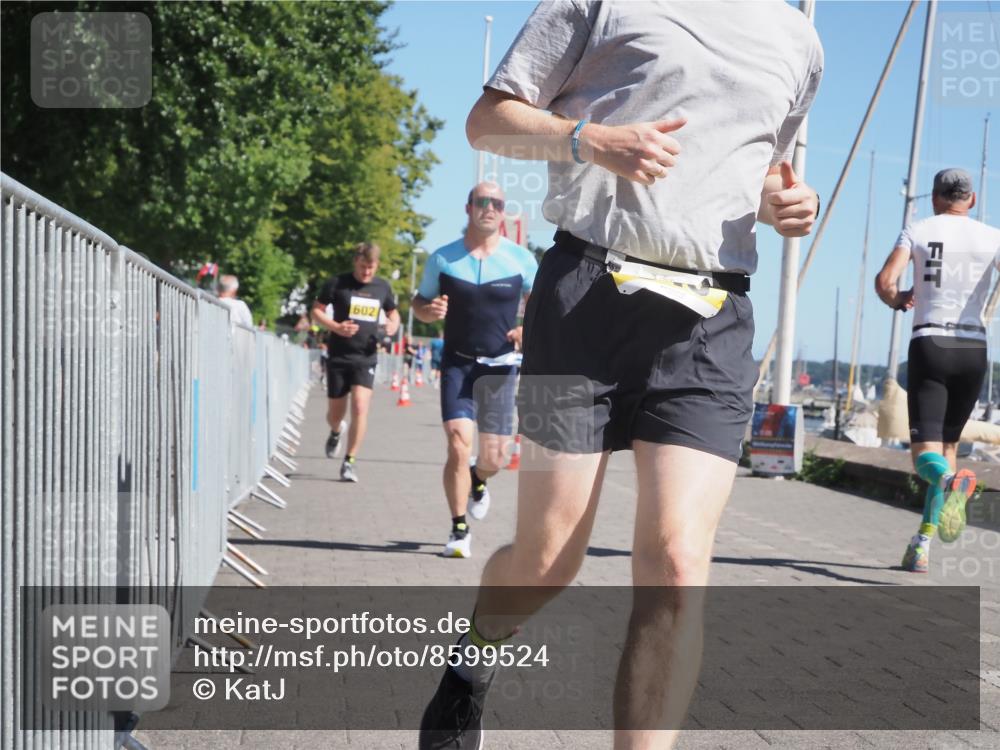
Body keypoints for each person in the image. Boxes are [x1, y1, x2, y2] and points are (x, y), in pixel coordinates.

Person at [418, 3, 823, 749]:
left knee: (677, 565)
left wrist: (787, 203)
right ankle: (473, 662)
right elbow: (487, 122)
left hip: (711, 319)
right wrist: (590, 140)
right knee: (547, 559)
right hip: (582, 301)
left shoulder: (798, 37)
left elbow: (760, 172)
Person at [875, 167, 998, 573]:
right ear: (972, 200)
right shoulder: (993, 236)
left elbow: (885, 281)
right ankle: (922, 545)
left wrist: (898, 299)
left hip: (931, 344)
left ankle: (949, 483)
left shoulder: (918, 229)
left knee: (926, 458)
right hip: (974, 349)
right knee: (946, 450)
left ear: (934, 197)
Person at [413, 181, 538, 559]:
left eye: (497, 203)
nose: (489, 208)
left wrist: (526, 329)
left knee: (496, 457)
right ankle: (458, 529)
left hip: (500, 368)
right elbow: (420, 303)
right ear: (468, 208)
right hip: (458, 363)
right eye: (482, 201)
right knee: (457, 442)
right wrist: (428, 311)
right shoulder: (443, 258)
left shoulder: (521, 259)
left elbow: (540, 305)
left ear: (503, 212)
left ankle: (478, 479)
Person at [312, 242, 400, 482]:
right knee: (335, 414)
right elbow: (317, 311)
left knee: (360, 406)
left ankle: (349, 461)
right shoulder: (337, 283)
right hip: (339, 356)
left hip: (366, 357)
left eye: (371, 268)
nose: (366, 272)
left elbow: (393, 314)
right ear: (355, 262)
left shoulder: (382, 287)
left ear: (377, 266)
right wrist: (336, 327)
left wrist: (392, 325)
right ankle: (336, 431)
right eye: (363, 267)